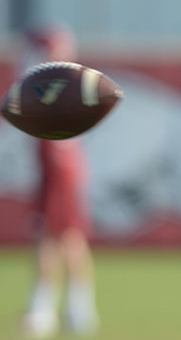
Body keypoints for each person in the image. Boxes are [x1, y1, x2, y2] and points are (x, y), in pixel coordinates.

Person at [18, 24, 99, 339]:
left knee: (56, 237)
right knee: (63, 237)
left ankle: (50, 309)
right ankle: (70, 309)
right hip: (55, 165)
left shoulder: (56, 82)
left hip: (59, 166)